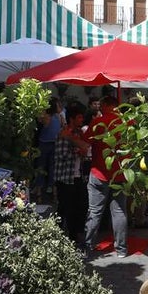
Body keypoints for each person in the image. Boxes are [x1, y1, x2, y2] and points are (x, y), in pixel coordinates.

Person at [83, 96, 129, 258]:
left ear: (109, 105)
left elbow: (84, 143)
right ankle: (121, 249)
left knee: (95, 211)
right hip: (120, 173)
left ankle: (88, 246)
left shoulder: (98, 123)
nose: (99, 107)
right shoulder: (127, 123)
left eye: (101, 105)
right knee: (119, 211)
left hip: (99, 173)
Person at [53, 102, 91, 246]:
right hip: (65, 177)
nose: (82, 120)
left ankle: (75, 234)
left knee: (81, 206)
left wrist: (78, 147)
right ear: (72, 119)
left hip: (77, 176)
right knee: (66, 208)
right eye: (80, 117)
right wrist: (77, 149)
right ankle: (62, 236)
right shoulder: (63, 133)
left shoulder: (77, 133)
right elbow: (61, 155)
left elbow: (85, 150)